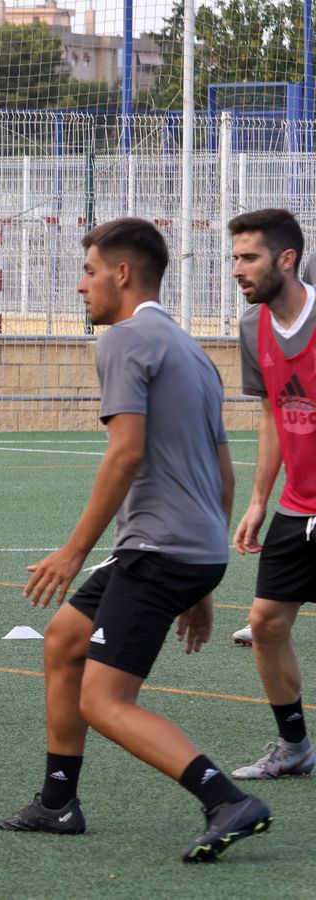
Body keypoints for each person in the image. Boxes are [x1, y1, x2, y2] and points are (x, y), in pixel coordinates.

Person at [0, 218, 271, 862]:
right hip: (187, 548)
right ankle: (58, 801)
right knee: (64, 639)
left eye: (89, 272)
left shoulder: (124, 340)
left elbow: (125, 454)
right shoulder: (191, 349)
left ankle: (225, 798)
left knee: (104, 698)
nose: (81, 287)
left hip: (158, 549)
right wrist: (204, 576)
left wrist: (72, 550)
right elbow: (222, 469)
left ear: (121, 273)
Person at [227, 208, 316, 780]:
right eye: (235, 257)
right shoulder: (251, 328)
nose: (237, 269)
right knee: (266, 623)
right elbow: (271, 414)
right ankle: (295, 746)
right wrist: (260, 499)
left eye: (249, 257)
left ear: (285, 259)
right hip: (298, 507)